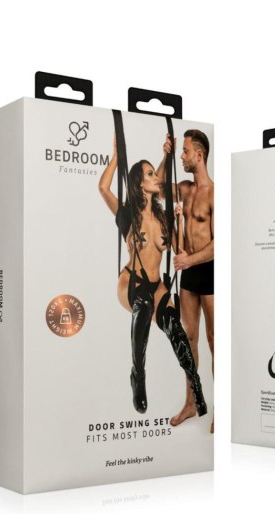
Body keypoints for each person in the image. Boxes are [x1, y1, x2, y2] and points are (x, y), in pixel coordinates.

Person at [98, 136, 207, 417]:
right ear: (139, 184)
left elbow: (180, 250)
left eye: (154, 174)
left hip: (157, 284)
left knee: (174, 327)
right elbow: (103, 187)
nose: (156, 178)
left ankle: (196, 386)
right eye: (150, 175)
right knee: (144, 304)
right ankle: (138, 375)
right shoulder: (127, 215)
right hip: (131, 283)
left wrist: (179, 220)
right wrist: (116, 157)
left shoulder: (163, 217)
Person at [157, 130, 214, 432]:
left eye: (185, 151)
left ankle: (219, 410)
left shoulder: (214, 193)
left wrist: (189, 261)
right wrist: (166, 155)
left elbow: (218, 244)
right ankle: (191, 403)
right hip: (188, 270)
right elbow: (157, 187)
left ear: (199, 155)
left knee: (214, 340)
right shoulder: (185, 189)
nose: (183, 156)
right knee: (189, 339)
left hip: (209, 269)